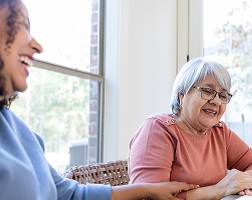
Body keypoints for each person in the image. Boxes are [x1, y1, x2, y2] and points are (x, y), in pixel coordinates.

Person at [0, 0, 198, 199]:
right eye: (23, 25)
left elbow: (68, 194)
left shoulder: (22, 134)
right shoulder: (158, 127)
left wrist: (148, 189)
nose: (37, 46)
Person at [128, 58, 252, 199]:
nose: (216, 101)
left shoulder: (219, 132)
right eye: (207, 91)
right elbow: (148, 196)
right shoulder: (158, 130)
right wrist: (218, 190)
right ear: (182, 94)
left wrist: (242, 180)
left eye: (223, 95)